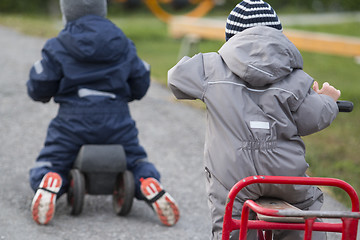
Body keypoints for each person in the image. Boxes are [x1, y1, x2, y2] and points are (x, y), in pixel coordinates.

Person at [168, 0, 340, 239]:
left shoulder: (211, 68)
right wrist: (328, 102)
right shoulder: (296, 78)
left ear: (231, 39)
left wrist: (209, 67)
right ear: (278, 35)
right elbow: (310, 119)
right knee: (305, 215)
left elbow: (176, 79)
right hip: (286, 176)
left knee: (230, 221)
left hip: (234, 179)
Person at [27, 0, 179, 226]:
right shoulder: (123, 43)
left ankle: (51, 180)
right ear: (103, 10)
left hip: (72, 119)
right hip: (117, 117)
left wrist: (41, 93)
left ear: (66, 13)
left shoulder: (58, 44)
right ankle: (148, 183)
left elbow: (40, 83)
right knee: (135, 159)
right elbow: (140, 79)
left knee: (53, 160)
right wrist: (130, 93)